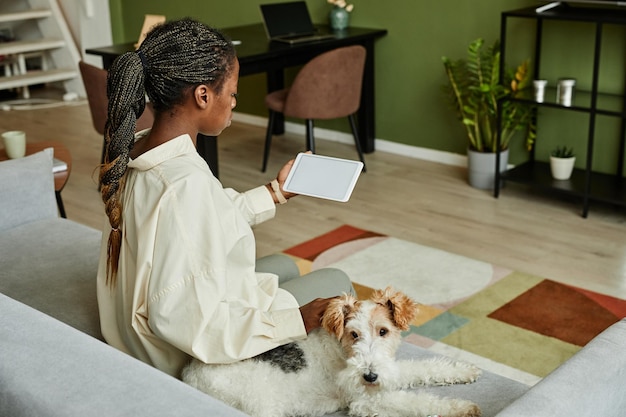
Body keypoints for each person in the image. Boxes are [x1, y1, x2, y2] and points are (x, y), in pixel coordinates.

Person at [96, 18, 354, 378]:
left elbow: (204, 220)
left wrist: (275, 192)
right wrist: (297, 319)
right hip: (172, 356)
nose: (234, 102)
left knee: (282, 264)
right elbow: (192, 323)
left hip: (133, 328)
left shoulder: (137, 147)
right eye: (232, 92)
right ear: (203, 95)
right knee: (335, 280)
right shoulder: (184, 185)